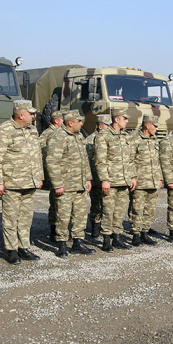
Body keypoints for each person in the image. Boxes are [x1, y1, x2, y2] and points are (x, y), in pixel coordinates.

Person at [0, 100, 44, 264]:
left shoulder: (32, 130)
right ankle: (12, 250)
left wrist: (39, 176)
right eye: (31, 113)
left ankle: (24, 247)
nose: (33, 116)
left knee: (26, 218)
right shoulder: (4, 130)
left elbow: (37, 155)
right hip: (12, 183)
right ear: (21, 114)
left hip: (30, 182)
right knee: (11, 218)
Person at [46, 110, 94, 258]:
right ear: (70, 122)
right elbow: (52, 162)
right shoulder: (58, 137)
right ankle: (61, 244)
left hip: (79, 184)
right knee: (63, 215)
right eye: (79, 121)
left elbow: (84, 159)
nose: (82, 123)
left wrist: (87, 178)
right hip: (65, 185)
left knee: (79, 214)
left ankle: (78, 242)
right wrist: (57, 184)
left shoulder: (78, 136)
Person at [94, 108, 137, 252]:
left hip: (124, 181)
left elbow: (130, 160)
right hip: (111, 181)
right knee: (108, 210)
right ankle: (106, 239)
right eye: (125, 118)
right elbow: (100, 161)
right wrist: (104, 180)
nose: (127, 121)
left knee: (119, 211)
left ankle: (117, 237)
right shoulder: (103, 136)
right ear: (116, 119)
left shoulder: (126, 136)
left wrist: (132, 176)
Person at [129, 115, 163, 246]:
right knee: (137, 209)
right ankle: (135, 235)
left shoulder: (154, 140)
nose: (157, 128)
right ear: (147, 125)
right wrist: (132, 177)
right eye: (155, 125)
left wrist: (159, 178)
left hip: (153, 181)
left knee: (150, 209)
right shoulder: (135, 138)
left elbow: (157, 161)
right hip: (140, 182)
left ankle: (145, 232)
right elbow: (130, 160)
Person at [85, 114, 112, 239]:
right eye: (108, 125)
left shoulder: (109, 138)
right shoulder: (90, 140)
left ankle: (106, 227)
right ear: (101, 126)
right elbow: (88, 162)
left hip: (106, 177)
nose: (110, 127)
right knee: (96, 204)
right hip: (96, 178)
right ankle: (95, 226)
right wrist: (90, 178)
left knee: (107, 204)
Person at [39, 110, 64, 241]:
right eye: (62, 119)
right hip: (52, 171)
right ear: (56, 120)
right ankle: (54, 229)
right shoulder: (48, 133)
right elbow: (42, 151)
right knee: (55, 202)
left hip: (60, 172)